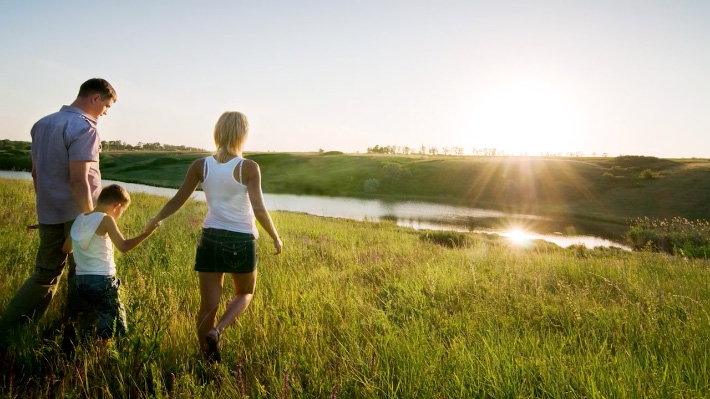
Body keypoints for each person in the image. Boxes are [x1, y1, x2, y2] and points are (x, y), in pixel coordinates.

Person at [147, 111, 282, 362]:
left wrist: (156, 219)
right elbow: (260, 209)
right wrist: (275, 236)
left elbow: (178, 199)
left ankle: (208, 360)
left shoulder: (201, 165)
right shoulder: (248, 167)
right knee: (245, 293)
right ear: (243, 134)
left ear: (218, 133)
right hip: (240, 240)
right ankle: (218, 330)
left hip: (210, 237)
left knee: (207, 306)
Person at [0, 78, 116, 339]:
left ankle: (10, 333)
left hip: (49, 210)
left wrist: (45, 207)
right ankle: (75, 336)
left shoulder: (42, 123)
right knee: (85, 274)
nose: (106, 113)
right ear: (95, 99)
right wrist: (88, 221)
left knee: (44, 274)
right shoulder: (85, 127)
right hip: (78, 213)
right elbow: (79, 180)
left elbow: (35, 172)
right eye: (106, 106)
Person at [65, 184, 159, 340]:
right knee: (113, 326)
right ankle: (100, 359)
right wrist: (147, 234)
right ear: (117, 206)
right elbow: (123, 246)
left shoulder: (80, 219)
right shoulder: (106, 219)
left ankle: (84, 354)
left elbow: (66, 249)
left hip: (81, 280)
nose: (120, 215)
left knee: (92, 320)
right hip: (102, 280)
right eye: (122, 211)